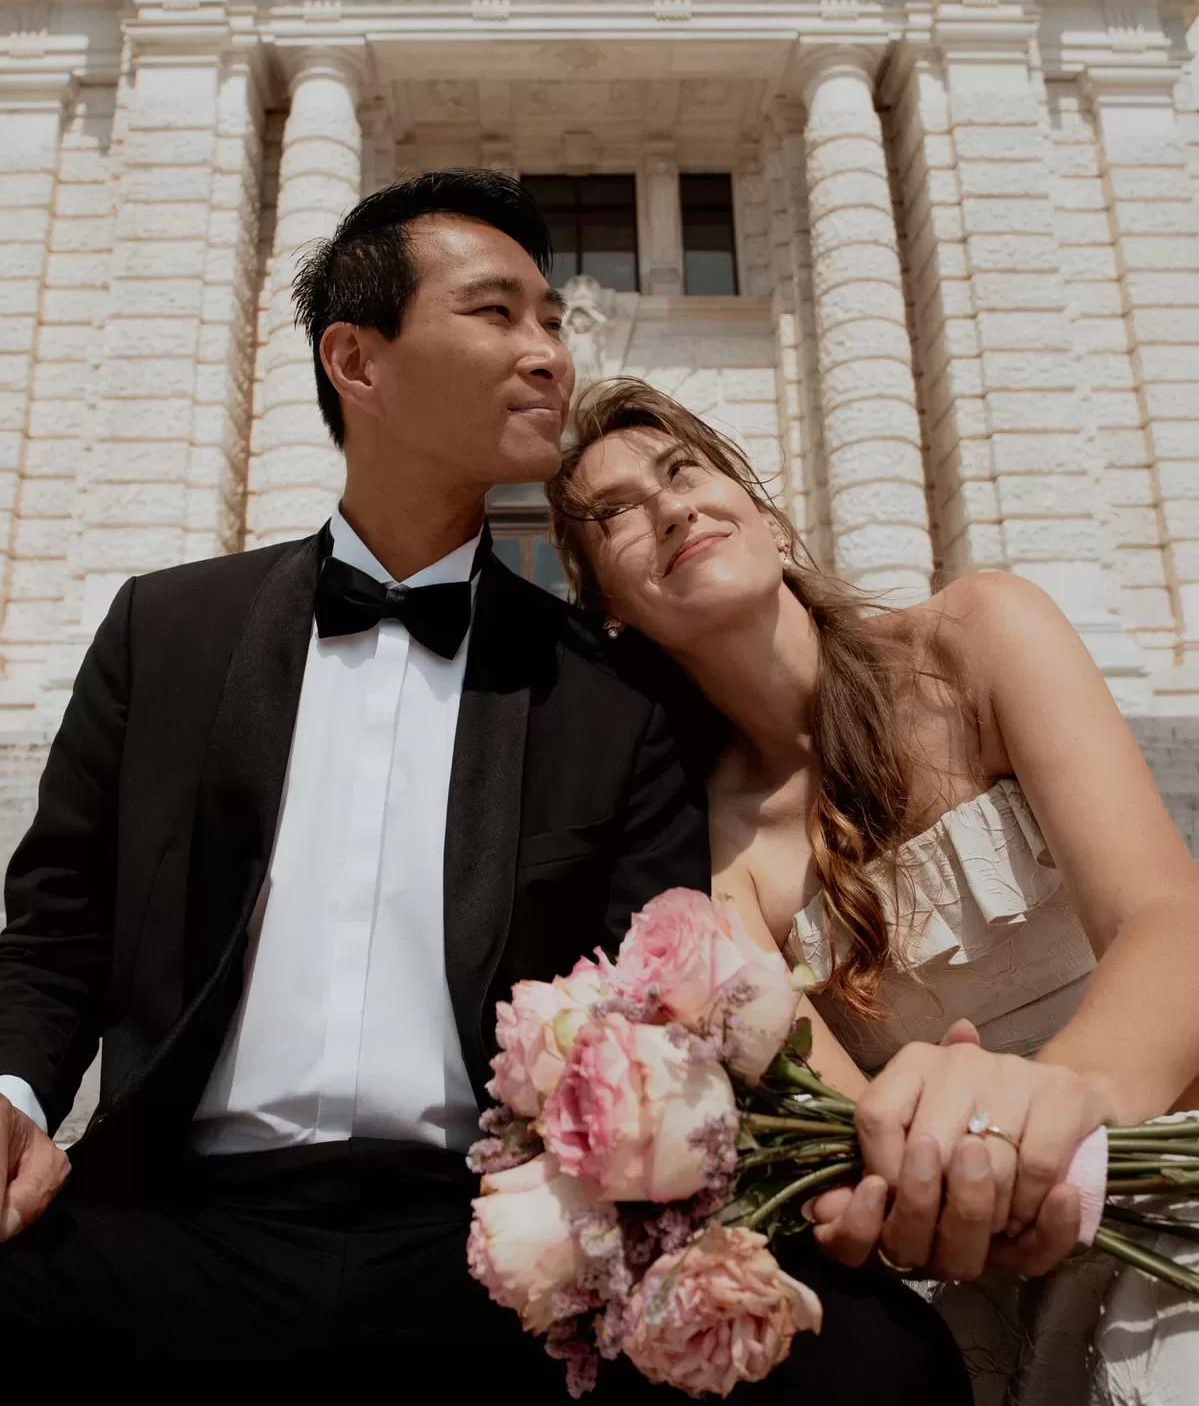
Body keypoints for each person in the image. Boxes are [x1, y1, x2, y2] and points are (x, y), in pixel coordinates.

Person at [0, 173, 968, 1400]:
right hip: (172, 1219)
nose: (548, 354)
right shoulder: (166, 631)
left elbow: (655, 1000)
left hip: (490, 1244)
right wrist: (12, 1094)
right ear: (356, 358)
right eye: (497, 313)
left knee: (878, 1362)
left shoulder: (607, 696)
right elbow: (57, 932)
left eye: (552, 321)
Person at [548, 375, 1199, 1404]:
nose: (669, 507)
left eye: (682, 471)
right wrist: (971, 1185)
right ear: (612, 612)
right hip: (996, 1251)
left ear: (759, 510)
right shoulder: (713, 874)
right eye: (614, 516)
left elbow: (1166, 916)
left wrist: (1070, 1099)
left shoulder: (977, 637)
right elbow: (864, 1141)